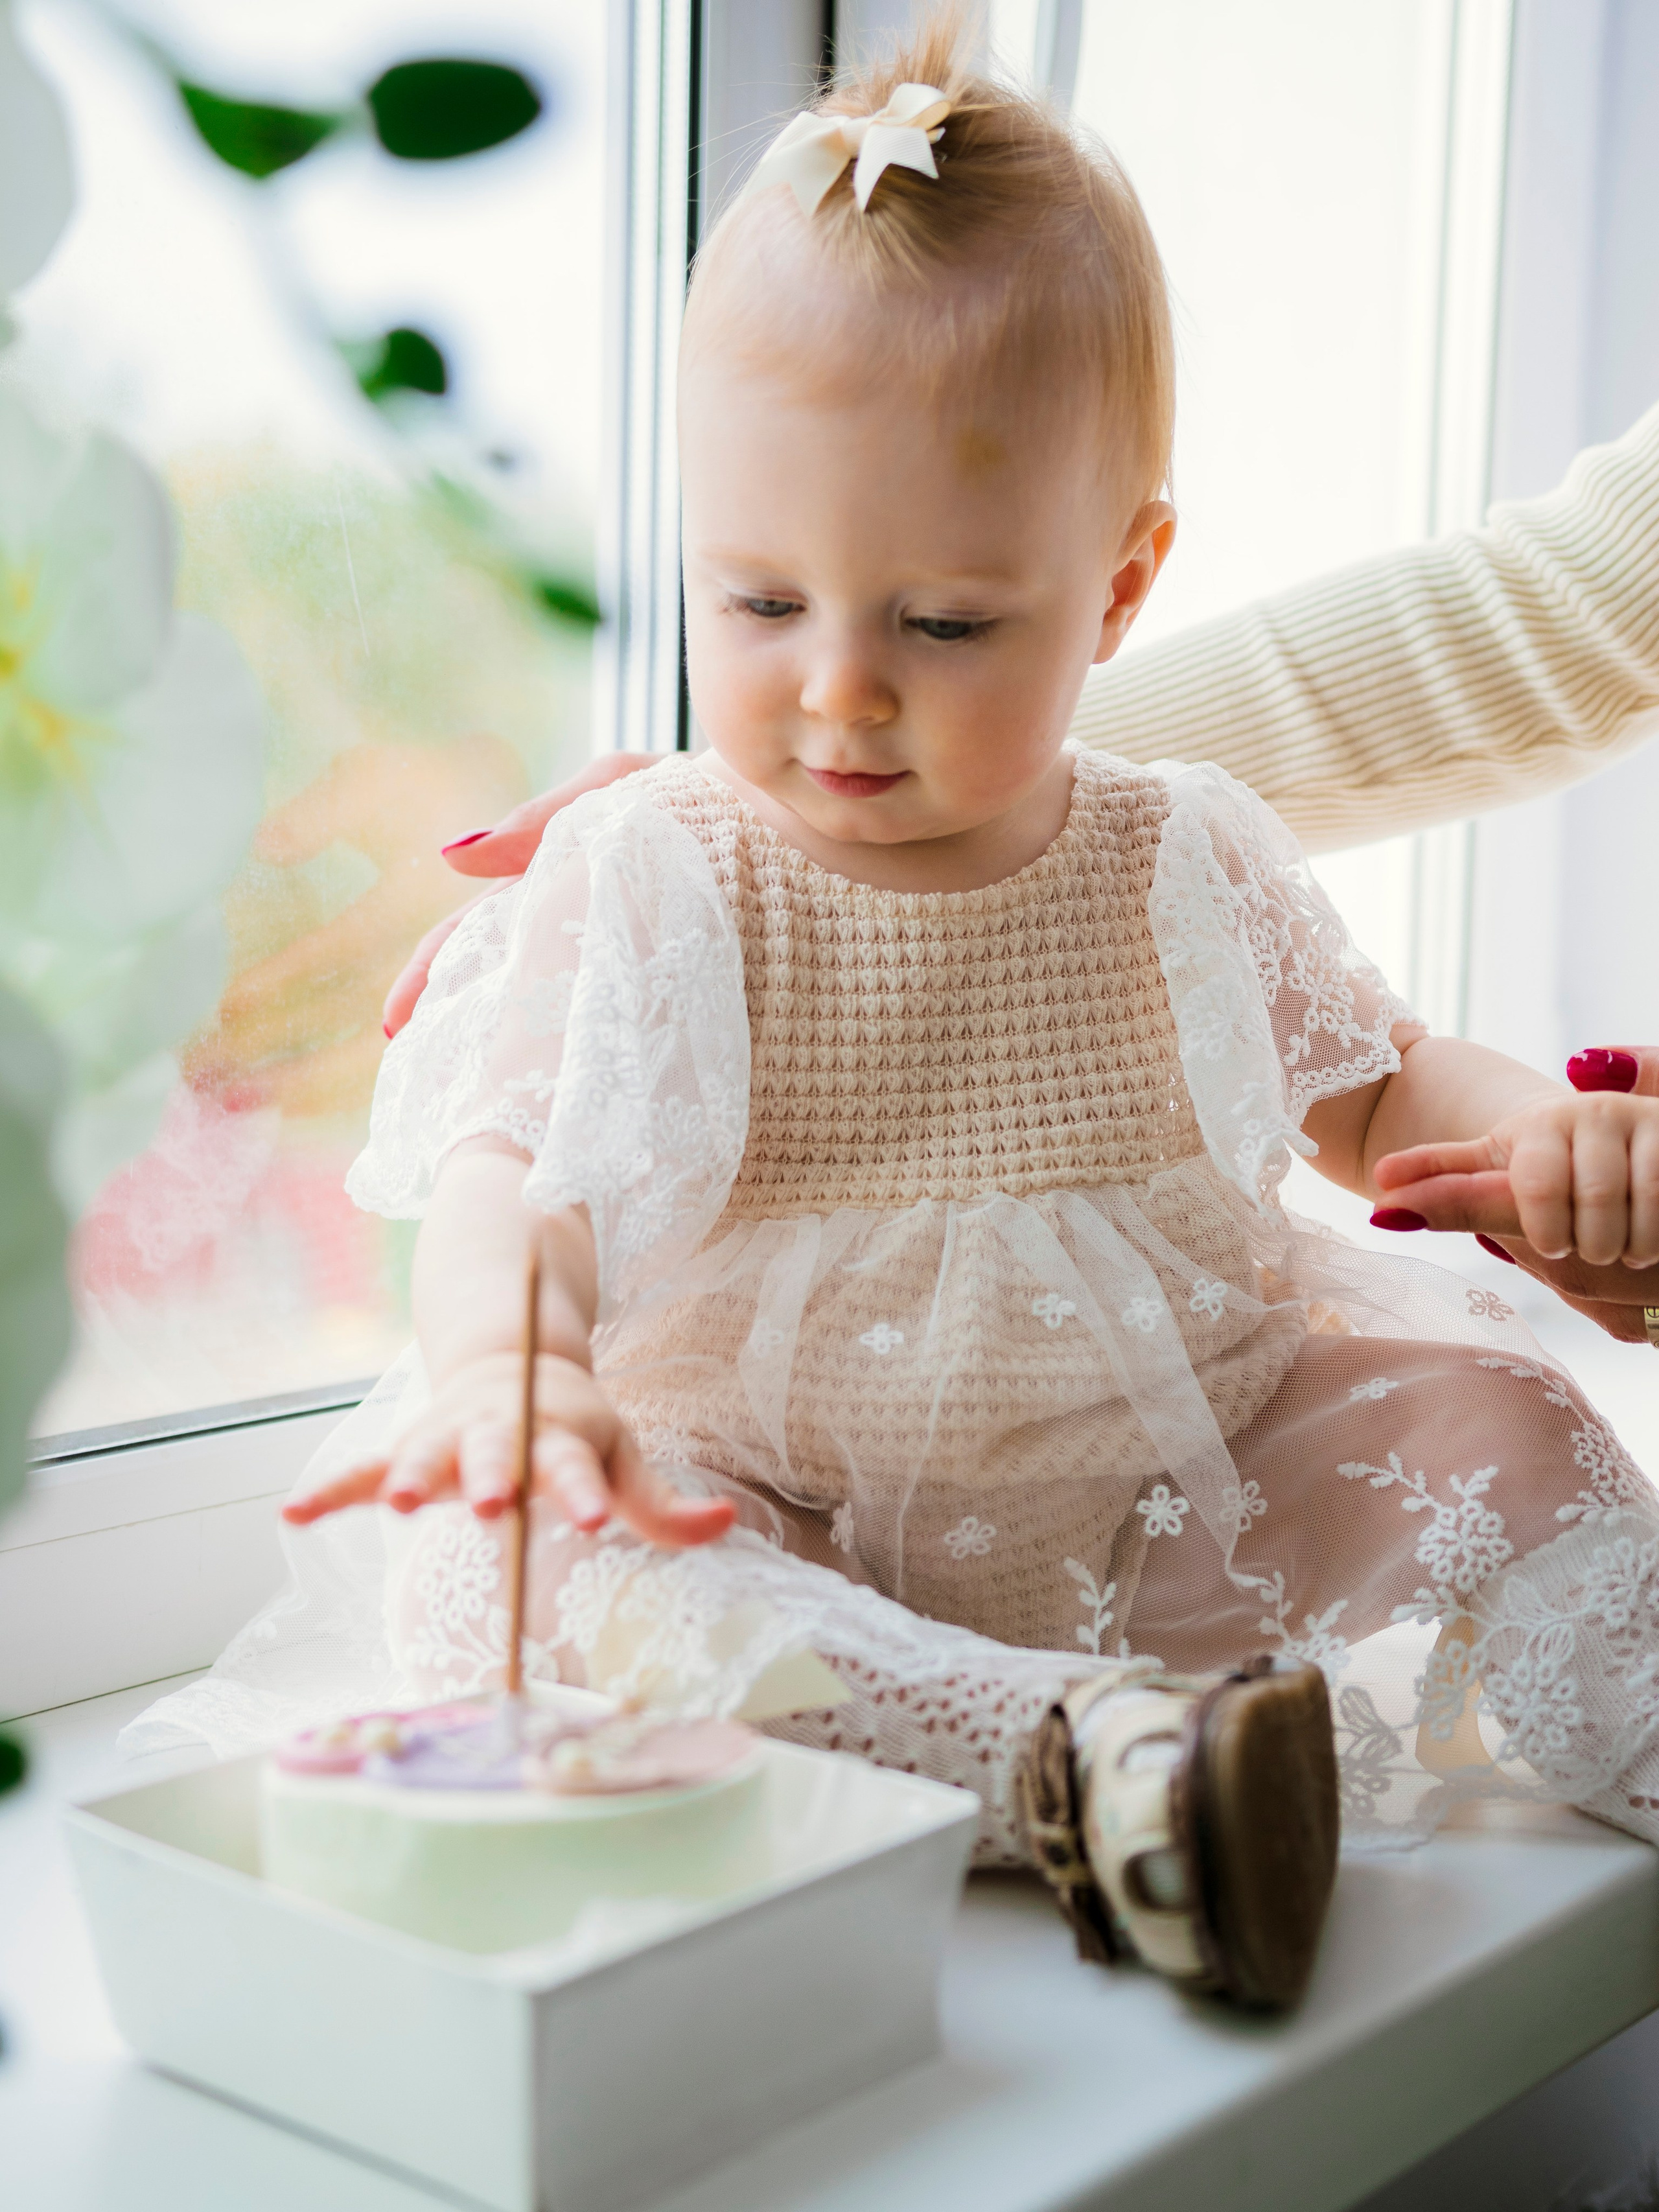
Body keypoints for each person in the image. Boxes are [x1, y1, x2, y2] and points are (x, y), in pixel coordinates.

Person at [131, 25, 1659, 2011]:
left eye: (943, 627)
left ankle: (1560, 1709)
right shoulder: (665, 874)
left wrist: (1541, 1126)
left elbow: (1375, 1095)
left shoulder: (1186, 847)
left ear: (1121, 590)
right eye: (759, 605)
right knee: (530, 1564)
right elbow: (525, 1190)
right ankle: (1081, 1768)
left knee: (1508, 1420)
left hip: (1151, 1502)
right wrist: (518, 1367)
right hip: (778, 1508)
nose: (840, 693)